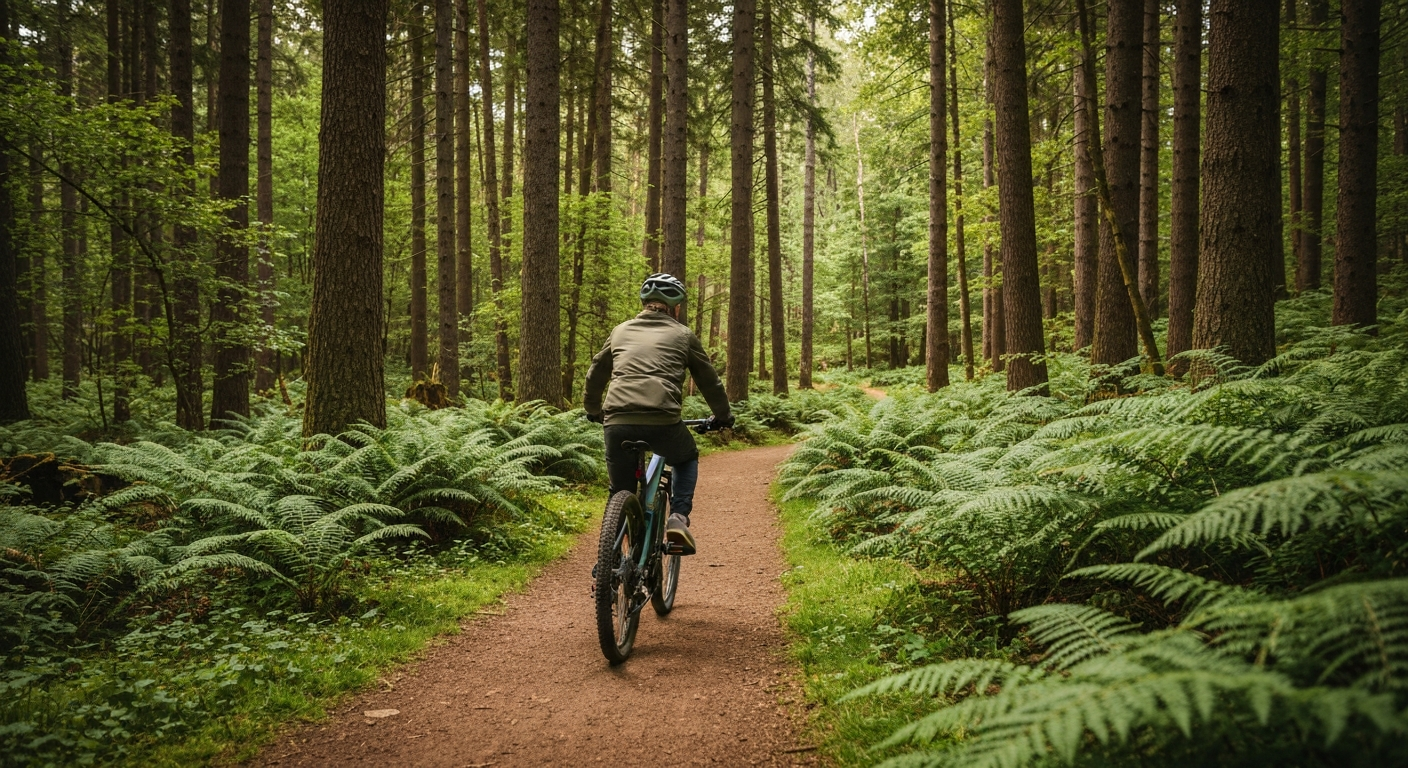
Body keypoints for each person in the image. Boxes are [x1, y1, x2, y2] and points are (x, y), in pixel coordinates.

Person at [583, 273, 733, 555]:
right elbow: (709, 380)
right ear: (675, 308)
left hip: (617, 422)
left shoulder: (620, 331)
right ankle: (678, 518)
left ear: (644, 303)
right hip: (663, 421)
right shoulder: (683, 335)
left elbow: (595, 373)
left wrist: (593, 410)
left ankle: (610, 559)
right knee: (686, 457)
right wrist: (722, 416)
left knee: (620, 491)